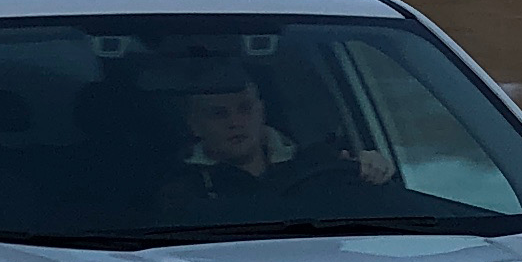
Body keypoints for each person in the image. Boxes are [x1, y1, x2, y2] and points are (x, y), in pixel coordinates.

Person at [150, 61, 393, 215]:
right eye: (218, 114)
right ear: (194, 125)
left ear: (262, 111)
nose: (235, 122)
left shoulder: (319, 164)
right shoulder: (178, 190)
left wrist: (373, 169)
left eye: (245, 109)